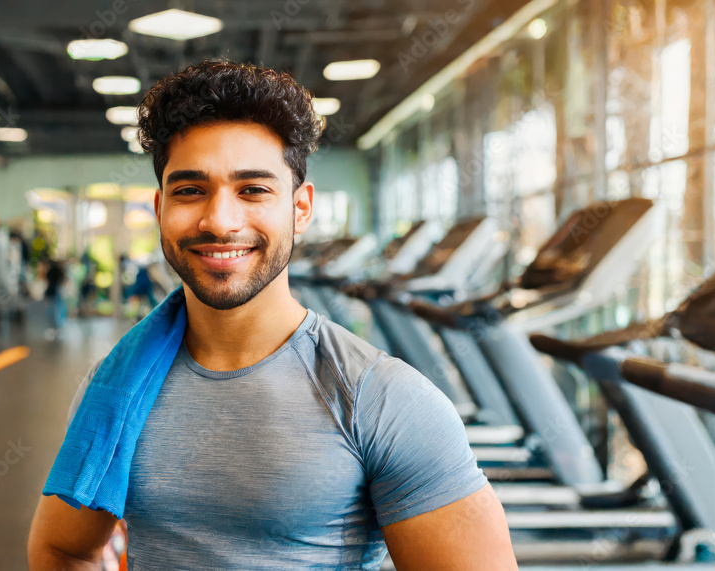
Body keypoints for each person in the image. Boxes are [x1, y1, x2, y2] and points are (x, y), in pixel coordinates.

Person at [28, 60, 517, 569]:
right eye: (190, 190)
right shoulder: (113, 391)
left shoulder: (385, 401)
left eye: (253, 190)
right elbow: (63, 548)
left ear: (300, 209)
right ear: (159, 210)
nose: (219, 220)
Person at [43, 258, 66, 340]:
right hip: (54, 293)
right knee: (57, 312)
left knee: (52, 312)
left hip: (52, 294)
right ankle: (56, 327)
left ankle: (55, 327)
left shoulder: (51, 272)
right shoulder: (58, 273)